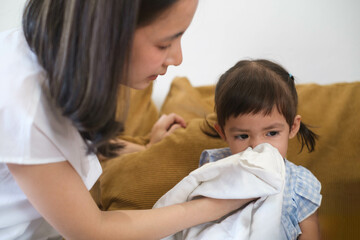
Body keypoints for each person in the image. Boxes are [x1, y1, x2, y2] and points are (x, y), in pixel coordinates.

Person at [0, 0, 254, 239]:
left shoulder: (55, 58)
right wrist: (216, 204)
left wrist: (144, 149)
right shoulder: (25, 105)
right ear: (103, 35)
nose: (178, 58)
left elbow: (61, 154)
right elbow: (93, 231)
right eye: (165, 44)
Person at [199, 59, 322, 240]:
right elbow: (196, 222)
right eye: (242, 136)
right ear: (223, 133)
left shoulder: (299, 185)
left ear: (293, 127)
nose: (257, 147)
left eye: (271, 133)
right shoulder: (216, 167)